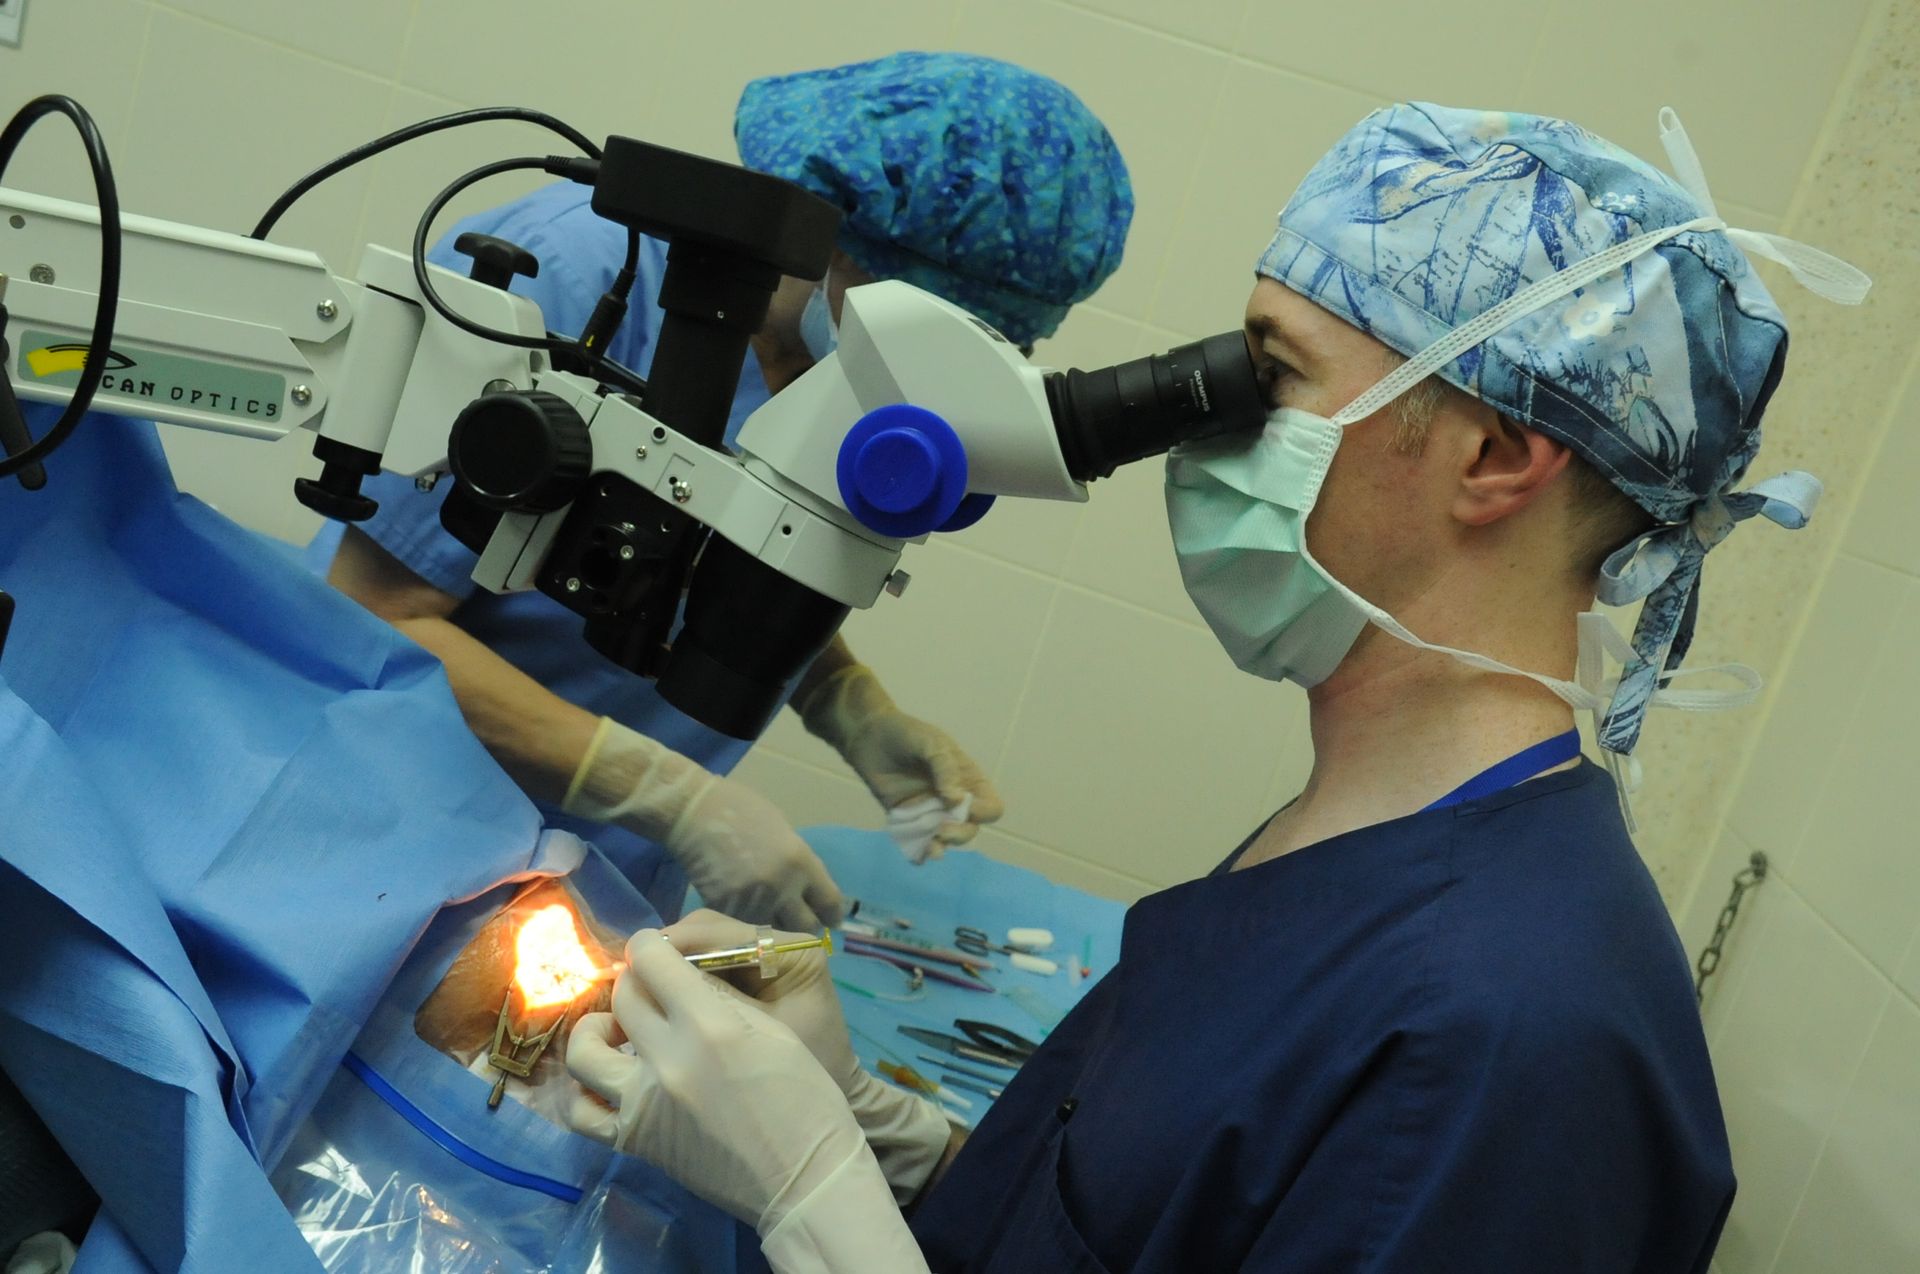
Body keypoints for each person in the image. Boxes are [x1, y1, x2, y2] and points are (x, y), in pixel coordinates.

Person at [558, 102, 1868, 1270]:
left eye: (1273, 372)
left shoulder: (1511, 1047)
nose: (1205, 424)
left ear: (1494, 456)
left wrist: (813, 1196)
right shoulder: (1356, 840)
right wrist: (866, 1122)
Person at [317, 53, 1133, 932]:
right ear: (831, 233)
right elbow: (370, 622)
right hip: (384, 832)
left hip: (592, 885)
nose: (935, 367)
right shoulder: (565, 275)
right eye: (934, 323)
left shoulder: (855, 375)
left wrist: (848, 706)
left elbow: (727, 563)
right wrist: (666, 795)